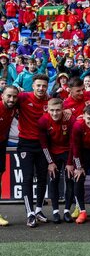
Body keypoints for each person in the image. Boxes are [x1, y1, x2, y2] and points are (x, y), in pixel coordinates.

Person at [17, 74, 51, 228]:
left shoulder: (49, 101)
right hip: (26, 144)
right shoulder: (23, 98)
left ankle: (38, 210)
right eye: (38, 85)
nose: (41, 88)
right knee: (28, 178)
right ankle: (29, 213)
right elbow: (8, 99)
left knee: (43, 178)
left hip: (43, 144)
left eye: (44, 86)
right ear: (33, 85)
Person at [38, 98, 76, 224]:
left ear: (63, 109)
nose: (55, 113)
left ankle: (66, 211)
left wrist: (70, 162)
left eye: (58, 110)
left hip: (68, 152)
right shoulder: (43, 121)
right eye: (52, 110)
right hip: (53, 153)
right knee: (53, 180)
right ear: (47, 110)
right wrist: (50, 162)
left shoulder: (70, 119)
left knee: (70, 179)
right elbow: (44, 144)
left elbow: (73, 143)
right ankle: (55, 212)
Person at [0, 86, 19, 226]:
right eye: (8, 96)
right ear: (2, 96)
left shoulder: (14, 107)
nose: (11, 99)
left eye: (14, 96)